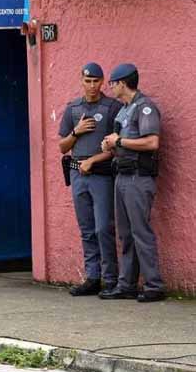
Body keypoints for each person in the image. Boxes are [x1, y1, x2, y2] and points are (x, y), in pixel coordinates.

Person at [100, 63, 165, 302]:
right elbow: (120, 142)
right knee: (125, 234)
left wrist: (119, 142)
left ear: (122, 83)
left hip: (139, 177)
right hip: (122, 175)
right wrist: (110, 144)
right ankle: (126, 284)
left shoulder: (144, 108)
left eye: (112, 83)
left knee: (141, 232)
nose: (111, 88)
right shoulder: (124, 111)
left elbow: (151, 143)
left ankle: (154, 285)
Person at [57, 63, 122, 296]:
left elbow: (117, 145)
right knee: (86, 228)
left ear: (102, 81)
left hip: (101, 173)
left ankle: (111, 278)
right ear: (81, 81)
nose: (92, 86)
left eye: (96, 81)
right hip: (77, 173)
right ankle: (93, 277)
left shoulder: (112, 107)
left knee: (104, 227)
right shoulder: (73, 108)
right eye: (88, 81)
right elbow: (62, 146)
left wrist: (93, 160)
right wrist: (77, 131)